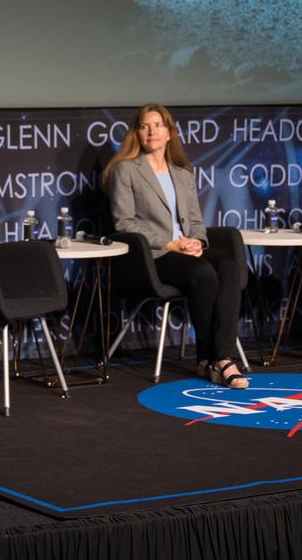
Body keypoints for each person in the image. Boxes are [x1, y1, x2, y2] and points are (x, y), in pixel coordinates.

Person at [104, 103, 247, 389]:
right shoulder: (126, 170)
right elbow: (125, 223)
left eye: (158, 125)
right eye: (144, 126)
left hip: (187, 250)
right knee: (204, 273)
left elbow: (195, 219)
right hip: (154, 255)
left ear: (169, 132)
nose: (151, 131)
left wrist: (197, 241)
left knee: (229, 267)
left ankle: (220, 358)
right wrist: (169, 243)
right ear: (137, 133)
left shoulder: (182, 171)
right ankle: (213, 359)